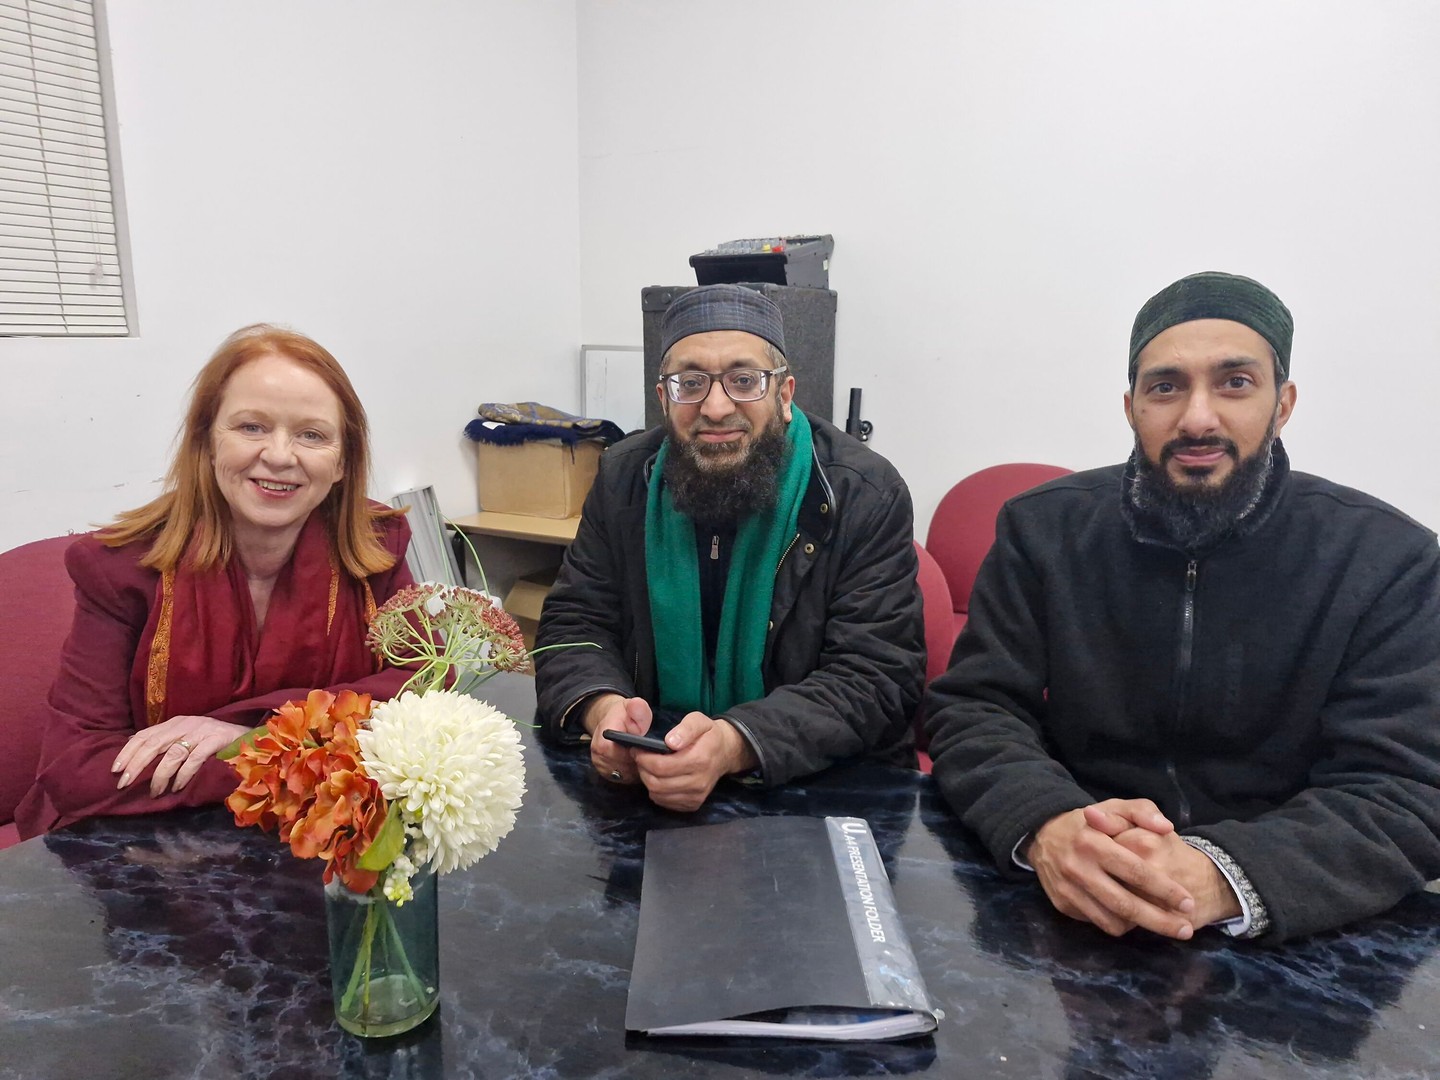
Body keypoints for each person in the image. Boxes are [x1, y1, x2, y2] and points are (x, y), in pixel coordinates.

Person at [924, 271, 1440, 944]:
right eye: (1165, 386)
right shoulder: (1041, 530)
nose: (1198, 417)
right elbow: (975, 708)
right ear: (1132, 405)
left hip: (1293, 921)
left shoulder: (1387, 559)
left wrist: (1219, 874)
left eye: (1234, 383)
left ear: (1282, 404)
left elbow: (1406, 788)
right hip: (1068, 891)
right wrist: (1048, 824)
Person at [535, 284, 924, 811]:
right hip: (650, 770)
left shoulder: (863, 492)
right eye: (690, 383)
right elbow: (575, 624)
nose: (715, 407)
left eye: (744, 381)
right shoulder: (625, 477)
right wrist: (602, 710)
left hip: (820, 788)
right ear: (663, 398)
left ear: (784, 395)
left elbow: (876, 677)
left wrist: (735, 742)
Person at [16, 325, 415, 837]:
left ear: (342, 461)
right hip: (152, 850)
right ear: (206, 441)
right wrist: (283, 752)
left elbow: (423, 688)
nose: (279, 455)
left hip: (319, 834)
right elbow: (76, 770)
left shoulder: (377, 546)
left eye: (311, 434)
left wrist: (244, 732)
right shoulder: (117, 568)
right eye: (251, 427)